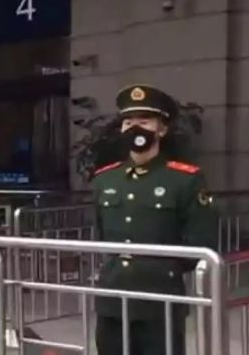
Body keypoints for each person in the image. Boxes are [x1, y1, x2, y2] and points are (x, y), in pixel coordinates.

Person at [91, 85, 219, 355]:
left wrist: (159, 268)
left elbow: (201, 242)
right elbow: (101, 234)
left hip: (160, 299)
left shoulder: (185, 179)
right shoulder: (105, 179)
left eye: (144, 122)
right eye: (128, 122)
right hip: (113, 298)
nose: (135, 129)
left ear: (162, 129)